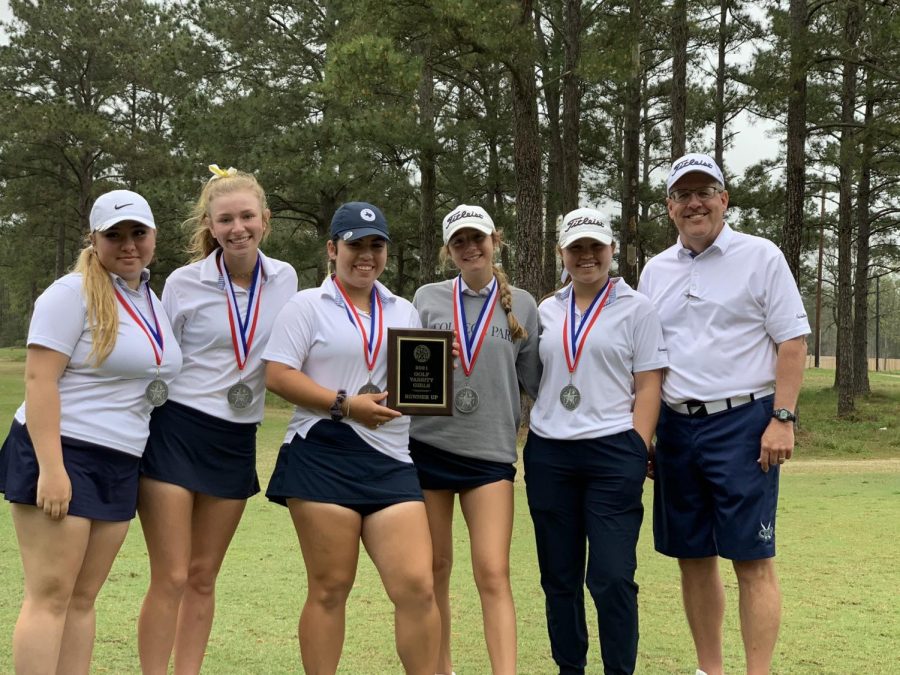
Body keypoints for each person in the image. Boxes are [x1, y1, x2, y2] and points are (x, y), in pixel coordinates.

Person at [637, 153, 809, 675]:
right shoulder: (654, 270)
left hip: (743, 423)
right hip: (675, 426)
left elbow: (793, 341)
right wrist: (643, 433)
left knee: (752, 560)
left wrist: (783, 417)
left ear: (724, 199)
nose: (694, 203)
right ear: (670, 208)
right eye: (683, 195)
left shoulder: (761, 256)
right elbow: (646, 362)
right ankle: (709, 670)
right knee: (693, 557)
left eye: (704, 192)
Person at [0, 190, 182, 674]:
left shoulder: (149, 298)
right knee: (51, 596)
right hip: (62, 453)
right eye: (115, 235)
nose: (128, 245)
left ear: (153, 237)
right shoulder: (70, 292)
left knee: (83, 598)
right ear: (94, 239)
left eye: (138, 233)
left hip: (120, 460)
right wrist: (53, 469)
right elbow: (40, 380)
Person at [263, 201, 440, 674]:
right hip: (323, 450)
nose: (366, 255)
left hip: (390, 456)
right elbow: (277, 375)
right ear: (332, 249)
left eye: (376, 245)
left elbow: (415, 383)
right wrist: (345, 404)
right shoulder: (305, 305)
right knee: (330, 587)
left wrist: (436, 370)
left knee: (416, 587)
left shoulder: (404, 308)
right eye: (355, 245)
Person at [136, 165, 298, 674]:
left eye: (247, 216)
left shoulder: (287, 279)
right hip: (177, 430)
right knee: (172, 576)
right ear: (211, 225)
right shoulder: (184, 283)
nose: (237, 228)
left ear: (265, 220)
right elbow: (155, 355)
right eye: (225, 219)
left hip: (236, 436)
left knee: (204, 575)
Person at [524, 208, 667, 675]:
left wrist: (637, 445)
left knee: (611, 578)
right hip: (549, 453)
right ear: (561, 254)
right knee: (559, 578)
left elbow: (649, 384)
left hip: (612, 451)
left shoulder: (637, 308)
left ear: (611, 251)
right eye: (576, 248)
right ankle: (571, 669)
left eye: (595, 247)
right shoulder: (546, 310)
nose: (587, 256)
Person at [409, 205, 540, 675]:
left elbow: (537, 384)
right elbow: (405, 375)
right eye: (459, 241)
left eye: (477, 238)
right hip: (428, 447)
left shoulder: (523, 305)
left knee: (492, 572)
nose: (470, 248)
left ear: (495, 240)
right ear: (449, 250)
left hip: (490, 454)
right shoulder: (425, 297)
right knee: (434, 570)